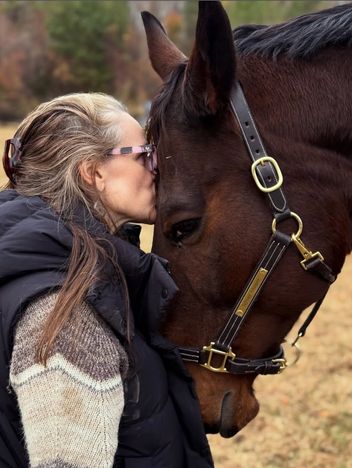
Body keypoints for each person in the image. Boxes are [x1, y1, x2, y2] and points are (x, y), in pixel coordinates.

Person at [0, 93, 214, 468]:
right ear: (93, 172)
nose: (157, 168)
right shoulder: (66, 313)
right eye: (143, 155)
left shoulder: (72, 268)